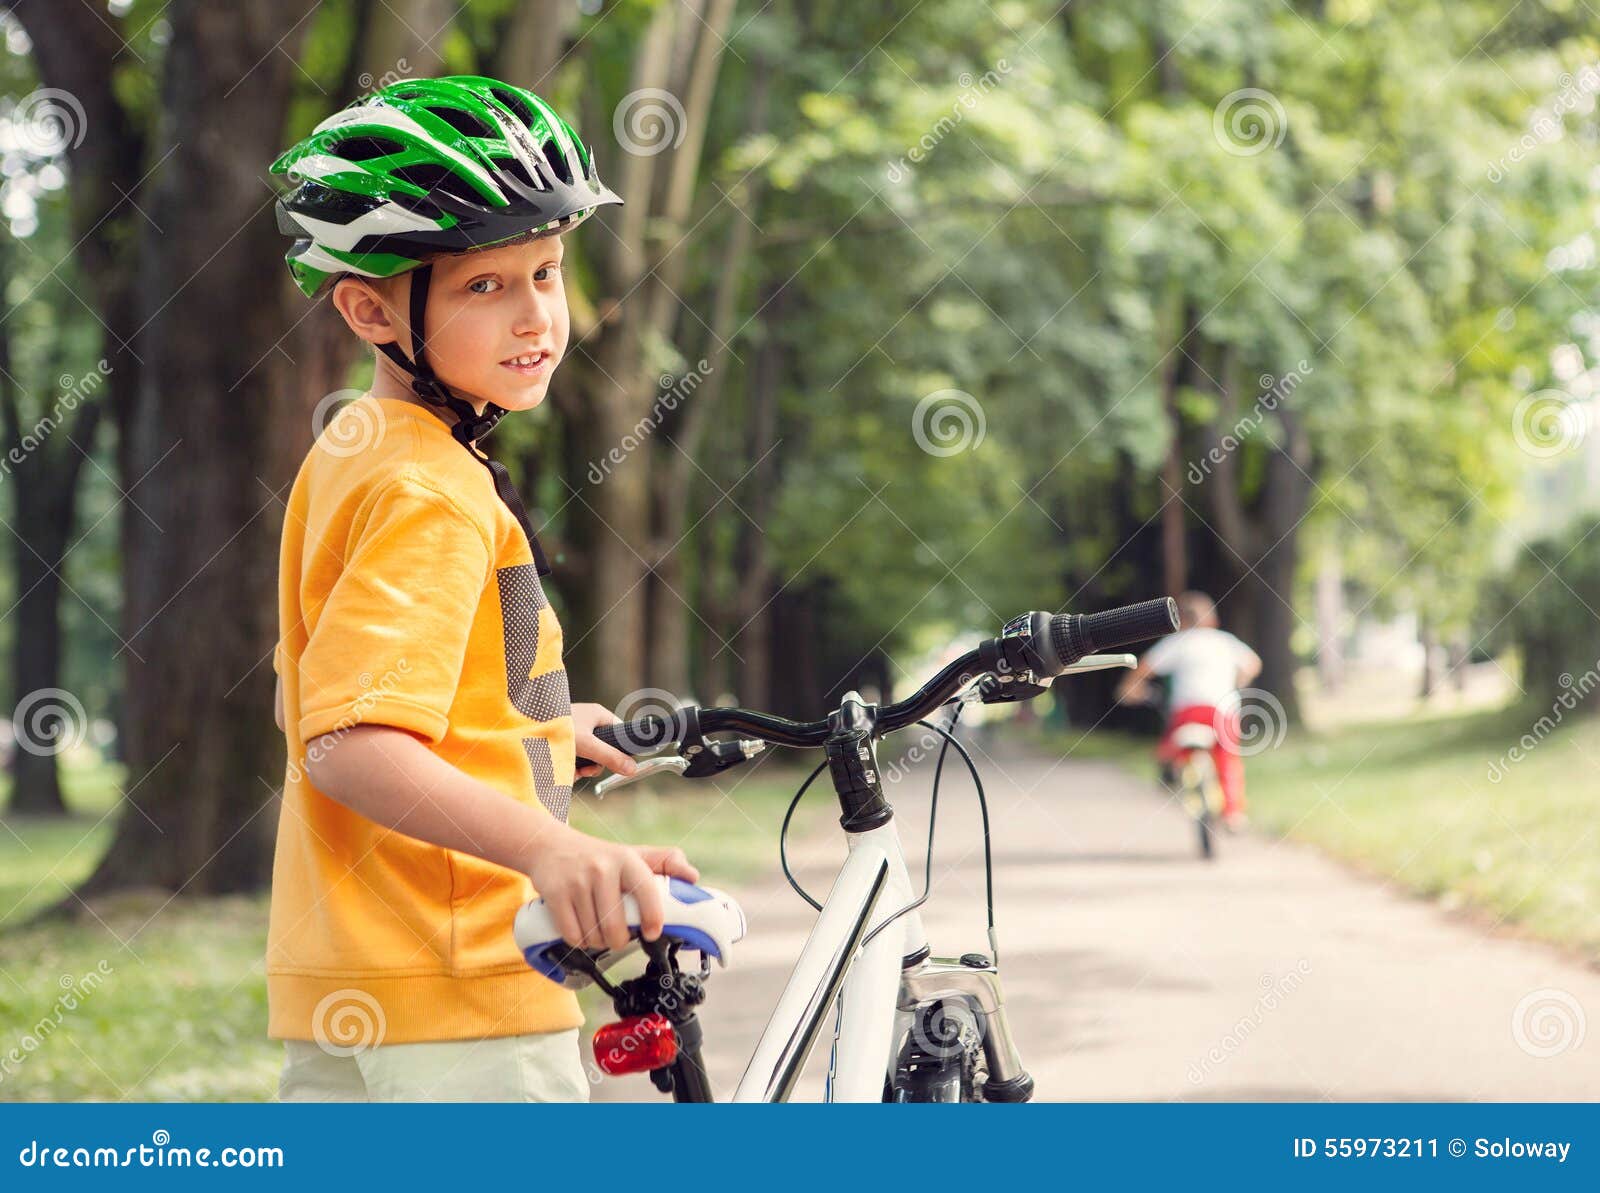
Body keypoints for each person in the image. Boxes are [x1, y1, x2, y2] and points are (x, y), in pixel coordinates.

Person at [266, 76, 698, 1102]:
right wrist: (550, 845)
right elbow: (351, 743)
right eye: (484, 286)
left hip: (354, 974)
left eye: (545, 271)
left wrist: (536, 733)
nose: (535, 314)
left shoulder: (355, 453)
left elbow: (333, 694)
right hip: (463, 989)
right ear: (372, 309)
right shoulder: (434, 490)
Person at [1115, 591, 1262, 828]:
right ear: (1213, 619)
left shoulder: (1177, 643)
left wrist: (1129, 688)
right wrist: (1238, 682)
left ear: (1180, 620)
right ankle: (1233, 813)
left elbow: (1144, 668)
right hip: (1223, 710)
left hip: (1188, 712)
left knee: (1171, 747)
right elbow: (1253, 663)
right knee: (1228, 759)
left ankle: (1171, 773)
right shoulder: (1224, 641)